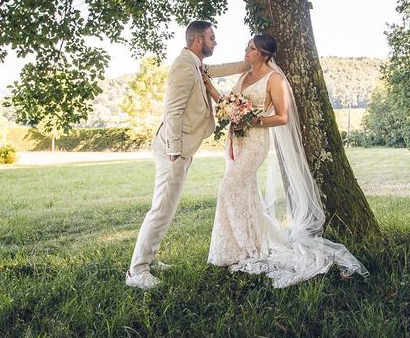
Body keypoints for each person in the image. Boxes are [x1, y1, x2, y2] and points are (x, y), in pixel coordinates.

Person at [203, 34, 369, 288]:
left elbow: (281, 117)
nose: (246, 51)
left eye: (251, 48)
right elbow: (229, 105)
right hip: (238, 141)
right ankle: (245, 247)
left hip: (256, 142)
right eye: (247, 47)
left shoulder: (275, 80)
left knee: (228, 188)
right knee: (245, 191)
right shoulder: (245, 75)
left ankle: (245, 246)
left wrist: (253, 121)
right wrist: (209, 87)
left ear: (264, 54)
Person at [126, 20, 247, 290]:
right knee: (160, 210)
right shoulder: (183, 66)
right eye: (212, 38)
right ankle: (137, 271)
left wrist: (248, 63)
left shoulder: (194, 63)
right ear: (197, 41)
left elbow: (216, 70)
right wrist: (174, 151)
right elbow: (173, 111)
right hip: (173, 151)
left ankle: (150, 259)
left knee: (166, 209)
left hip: (180, 150)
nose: (215, 42)